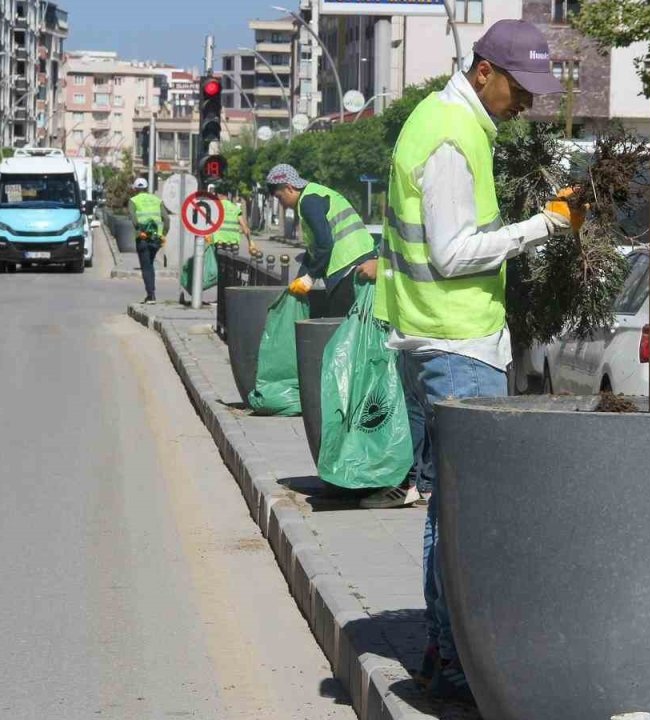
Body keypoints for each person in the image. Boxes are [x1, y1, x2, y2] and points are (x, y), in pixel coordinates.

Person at [372, 19, 571, 705]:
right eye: (521, 89)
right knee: (459, 513)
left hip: (432, 337)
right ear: (484, 71)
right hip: (455, 344)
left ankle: (442, 653)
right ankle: (454, 662)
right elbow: (454, 253)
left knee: (445, 509)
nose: (527, 104)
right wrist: (544, 226)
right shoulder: (453, 136)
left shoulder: (447, 122)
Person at [264, 164, 378, 316]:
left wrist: (310, 277)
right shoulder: (314, 194)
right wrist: (301, 277)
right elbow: (314, 248)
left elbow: (324, 244)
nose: (281, 203)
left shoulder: (308, 202)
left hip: (349, 267)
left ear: (289, 188)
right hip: (360, 261)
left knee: (340, 326)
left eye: (279, 197)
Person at [129, 177, 168, 304]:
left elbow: (134, 220)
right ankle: (151, 292)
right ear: (146, 188)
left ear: (135, 189)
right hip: (156, 238)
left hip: (143, 237)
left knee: (146, 266)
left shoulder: (133, 200)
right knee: (150, 264)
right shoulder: (157, 200)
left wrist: (140, 231)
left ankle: (151, 295)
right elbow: (166, 219)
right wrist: (163, 234)